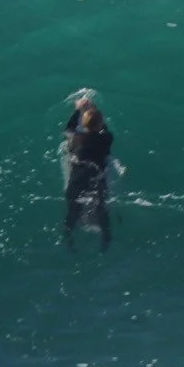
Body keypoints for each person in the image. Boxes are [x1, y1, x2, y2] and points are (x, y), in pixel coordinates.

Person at [62, 90, 113, 250]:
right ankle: (105, 238)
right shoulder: (106, 139)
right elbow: (103, 130)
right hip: (95, 178)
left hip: (76, 178)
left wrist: (78, 109)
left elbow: (68, 129)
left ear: (83, 124)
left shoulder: (74, 139)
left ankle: (68, 237)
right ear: (100, 124)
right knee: (100, 208)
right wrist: (94, 108)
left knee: (73, 209)